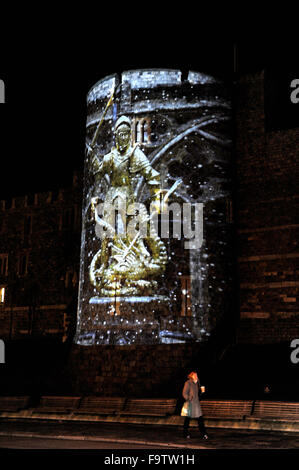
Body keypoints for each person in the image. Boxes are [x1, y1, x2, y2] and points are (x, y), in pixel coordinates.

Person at [182, 371, 208, 439]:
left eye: (197, 375)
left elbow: (198, 393)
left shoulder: (198, 383)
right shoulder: (188, 383)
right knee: (187, 419)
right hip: (190, 404)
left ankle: (204, 434)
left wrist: (202, 393)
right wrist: (189, 399)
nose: (196, 376)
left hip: (196, 404)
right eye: (195, 375)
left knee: (200, 419)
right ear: (191, 376)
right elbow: (184, 393)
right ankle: (185, 433)